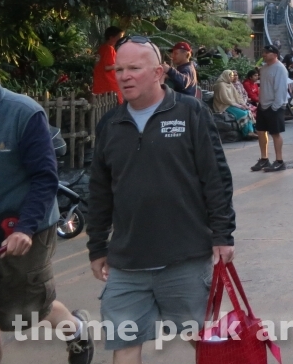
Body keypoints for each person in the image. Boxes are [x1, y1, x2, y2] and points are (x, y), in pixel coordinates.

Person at [88, 39, 236, 361]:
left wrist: (223, 235)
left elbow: (216, 177)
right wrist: (97, 246)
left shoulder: (190, 112)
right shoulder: (110, 125)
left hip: (185, 257)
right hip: (127, 263)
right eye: (119, 69)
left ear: (158, 72)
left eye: (134, 68)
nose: (124, 76)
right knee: (124, 344)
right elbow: (99, 191)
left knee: (202, 341)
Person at [0, 57, 93, 364]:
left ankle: (77, 331)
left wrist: (25, 228)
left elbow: (44, 178)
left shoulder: (23, 113)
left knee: (28, 309)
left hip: (24, 230)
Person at [252, 45, 289, 172]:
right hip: (263, 104)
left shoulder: (280, 69)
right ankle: (264, 158)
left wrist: (275, 107)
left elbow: (281, 89)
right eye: (264, 52)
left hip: (275, 106)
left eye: (267, 52)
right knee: (261, 132)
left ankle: (279, 161)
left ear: (275, 54)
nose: (264, 54)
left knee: (275, 133)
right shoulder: (264, 68)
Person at [92, 26, 124, 101]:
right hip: (108, 84)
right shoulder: (109, 49)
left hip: (100, 83)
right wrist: (122, 65)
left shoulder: (102, 48)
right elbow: (107, 67)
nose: (120, 40)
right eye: (119, 38)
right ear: (111, 37)